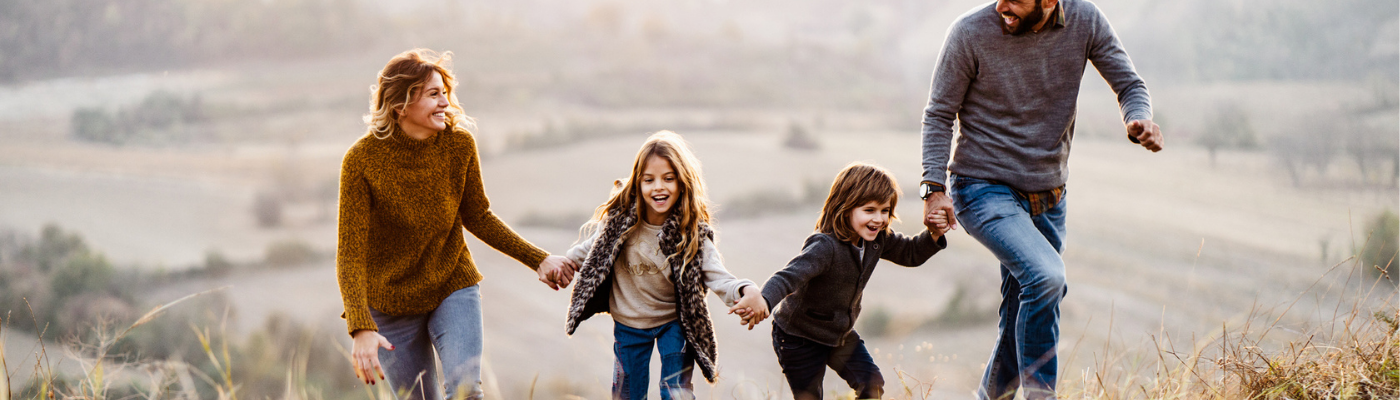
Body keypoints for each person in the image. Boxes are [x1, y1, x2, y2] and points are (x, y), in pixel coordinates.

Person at [918, 0, 1164, 398]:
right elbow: (939, 114)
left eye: (1016, 0)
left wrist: (1137, 118)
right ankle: (1040, 394)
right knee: (1046, 277)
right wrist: (933, 188)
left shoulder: (1085, 19)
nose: (1002, 6)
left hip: (1049, 195)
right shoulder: (969, 32)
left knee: (1026, 305)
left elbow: (1130, 85)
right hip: (981, 186)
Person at [335, 48, 578, 400]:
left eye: (445, 93)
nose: (445, 103)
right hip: (390, 304)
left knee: (466, 391)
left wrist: (538, 259)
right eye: (434, 94)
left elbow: (478, 216)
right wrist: (360, 326)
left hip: (452, 284)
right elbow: (350, 253)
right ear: (401, 105)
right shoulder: (361, 161)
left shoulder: (458, 145)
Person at [563, 131, 769, 400]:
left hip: (675, 322)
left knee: (676, 392)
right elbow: (585, 254)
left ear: (682, 183)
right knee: (627, 394)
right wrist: (559, 262)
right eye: (649, 180)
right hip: (629, 323)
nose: (658, 187)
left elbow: (719, 276)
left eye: (668, 179)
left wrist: (747, 290)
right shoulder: (619, 224)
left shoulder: (690, 233)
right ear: (638, 184)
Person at [759, 162, 948, 400]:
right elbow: (788, 277)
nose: (879, 219)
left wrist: (933, 234)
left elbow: (909, 253)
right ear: (845, 207)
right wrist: (763, 300)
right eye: (869, 210)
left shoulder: (877, 239)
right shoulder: (824, 246)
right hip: (799, 337)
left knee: (872, 385)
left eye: (885, 211)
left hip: (839, 333)